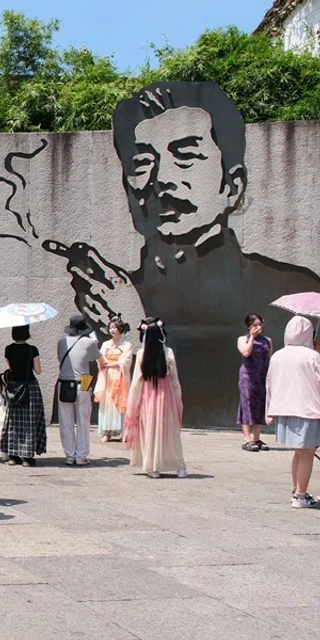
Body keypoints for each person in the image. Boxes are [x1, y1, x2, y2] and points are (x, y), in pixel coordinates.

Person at [49, 81, 320, 426]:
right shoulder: (107, 301)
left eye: (186, 155)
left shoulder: (290, 292)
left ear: (232, 186)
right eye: (143, 162)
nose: (161, 179)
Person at [266, 316, 320, 509]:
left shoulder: (277, 356)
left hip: (285, 408)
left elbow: (269, 384)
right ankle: (300, 495)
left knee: (300, 453)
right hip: (308, 409)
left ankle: (297, 490)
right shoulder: (312, 356)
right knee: (307, 452)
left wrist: (270, 411)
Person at [123, 317, 187, 478]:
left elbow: (137, 382)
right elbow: (174, 380)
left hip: (148, 397)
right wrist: (178, 401)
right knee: (169, 433)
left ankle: (153, 467)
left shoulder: (142, 354)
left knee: (149, 431)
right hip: (167, 398)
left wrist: (133, 404)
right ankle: (179, 467)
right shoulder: (168, 352)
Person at [56, 316, 101, 466]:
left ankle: (69, 455)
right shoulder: (89, 343)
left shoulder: (61, 342)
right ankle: (81, 456)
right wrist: (95, 343)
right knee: (83, 421)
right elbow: (98, 358)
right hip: (83, 384)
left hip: (64, 383)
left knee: (65, 421)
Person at [0, 325, 46, 466]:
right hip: (29, 387)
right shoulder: (32, 349)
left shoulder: (8, 349)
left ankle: (13, 455)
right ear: (27, 333)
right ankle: (27, 457)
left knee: (13, 421)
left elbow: (11, 368)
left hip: (14, 387)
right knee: (31, 421)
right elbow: (38, 371)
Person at [94, 316, 133, 442]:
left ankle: (124, 432)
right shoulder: (106, 344)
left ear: (120, 329)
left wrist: (109, 364)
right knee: (107, 402)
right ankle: (107, 431)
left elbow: (125, 361)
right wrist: (104, 363)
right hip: (107, 376)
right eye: (110, 328)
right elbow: (100, 359)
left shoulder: (127, 345)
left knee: (121, 402)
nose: (112, 330)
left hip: (120, 376)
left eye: (114, 328)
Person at [238, 313, 272, 452]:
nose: (258, 327)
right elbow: (245, 353)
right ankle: (247, 438)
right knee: (247, 403)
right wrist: (252, 337)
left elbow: (269, 357)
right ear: (248, 327)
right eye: (254, 325)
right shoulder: (242, 339)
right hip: (248, 375)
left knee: (260, 404)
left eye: (260, 324)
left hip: (262, 375)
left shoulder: (267, 340)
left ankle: (256, 437)